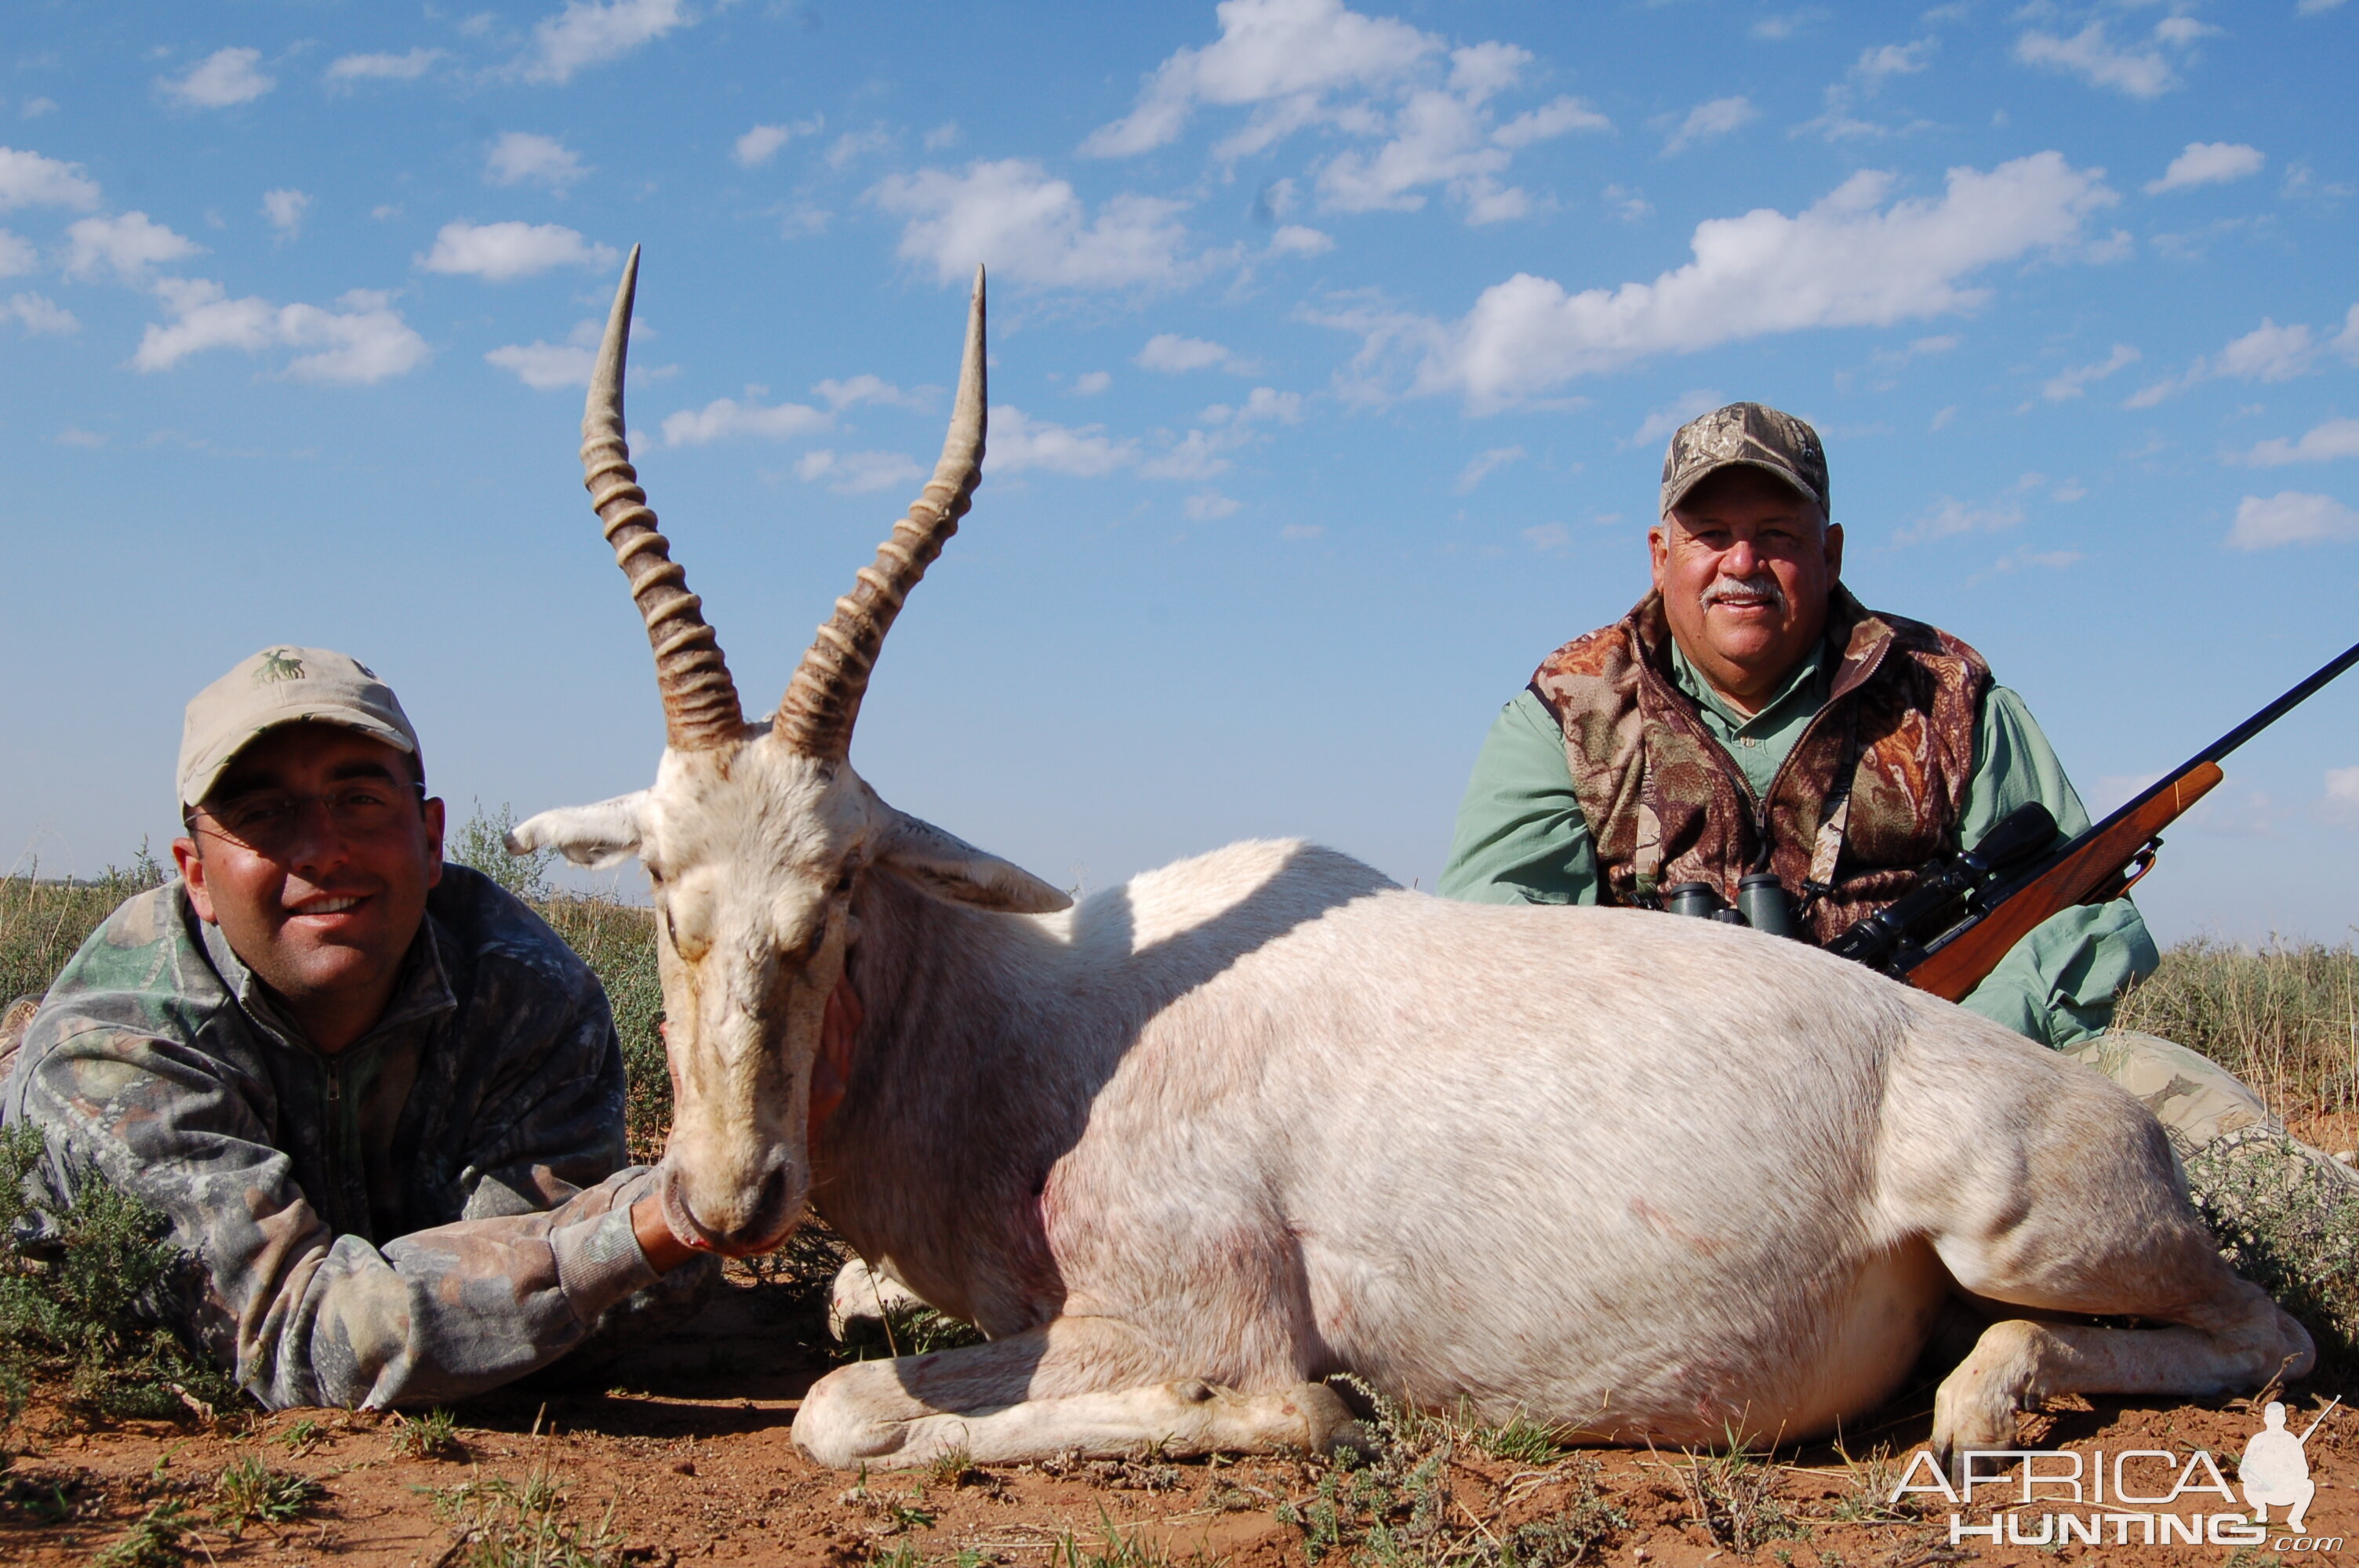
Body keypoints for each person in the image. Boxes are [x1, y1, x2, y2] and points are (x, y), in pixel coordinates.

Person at [1438, 402, 2309, 1159]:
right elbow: (1492, 947)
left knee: (2169, 1092)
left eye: (1776, 534)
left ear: (1829, 550)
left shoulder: (1945, 692)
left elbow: (2083, 910)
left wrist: (1948, 1041)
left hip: (1947, 1084)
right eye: (1711, 535)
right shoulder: (1567, 708)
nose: (1741, 561)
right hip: (1655, 1111)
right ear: (1660, 553)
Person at [0, 647, 713, 1410]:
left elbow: (537, 1309)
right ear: (197, 874)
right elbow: (298, 1335)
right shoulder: (115, 1051)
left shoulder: (527, 994)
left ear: (432, 838)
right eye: (260, 814)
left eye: (360, 799)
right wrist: (667, 1214)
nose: (322, 848)